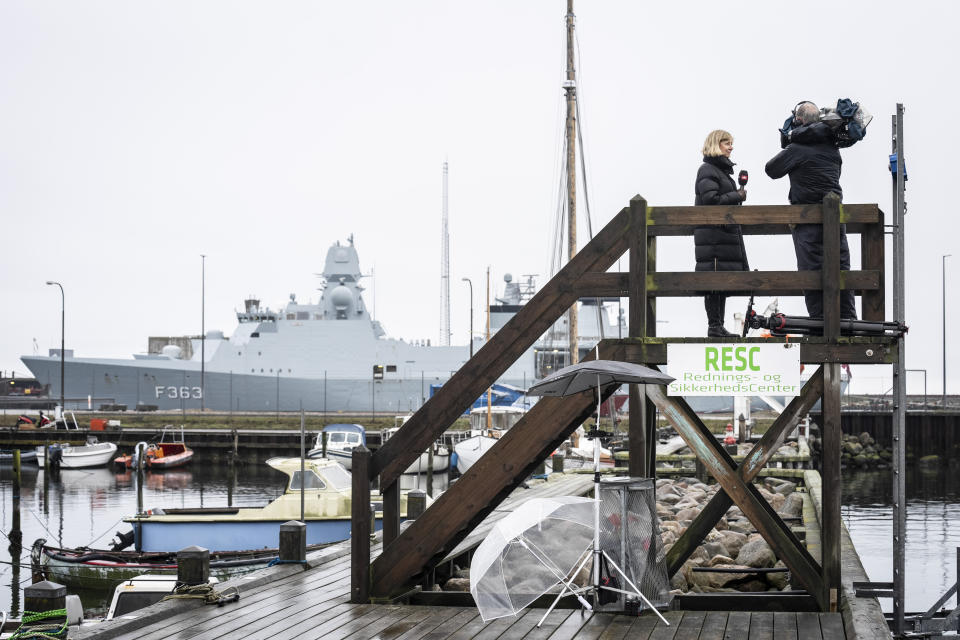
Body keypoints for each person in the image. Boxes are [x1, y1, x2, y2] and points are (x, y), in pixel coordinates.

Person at [765, 101, 857, 320]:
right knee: (841, 268)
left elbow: (771, 169)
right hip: (836, 219)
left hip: (806, 222)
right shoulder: (832, 147)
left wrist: (790, 139)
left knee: (811, 273)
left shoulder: (797, 148)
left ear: (799, 120)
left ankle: (819, 323)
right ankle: (849, 322)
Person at [694, 129, 749, 337]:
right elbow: (711, 200)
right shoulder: (708, 169)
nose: (731, 147)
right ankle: (714, 326)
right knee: (714, 280)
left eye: (731, 143)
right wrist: (736, 195)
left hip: (721, 235)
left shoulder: (719, 171)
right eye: (727, 143)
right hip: (713, 236)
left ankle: (718, 325)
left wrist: (735, 195)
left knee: (721, 281)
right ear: (716, 144)